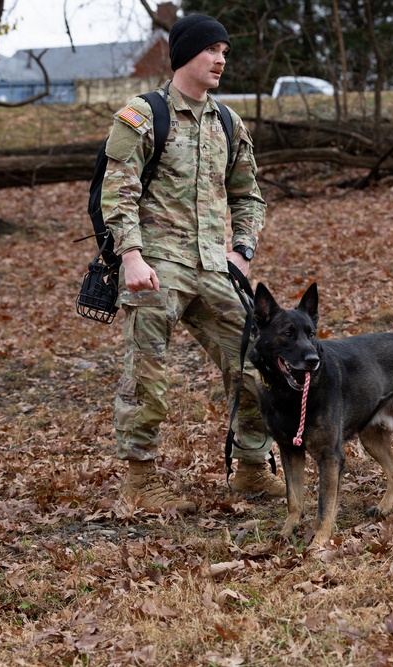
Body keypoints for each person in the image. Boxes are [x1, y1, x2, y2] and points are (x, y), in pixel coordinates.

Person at [102, 13, 285, 512]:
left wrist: (242, 250)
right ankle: (140, 484)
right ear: (185, 53)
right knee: (148, 376)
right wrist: (132, 257)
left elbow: (249, 196)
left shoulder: (228, 122)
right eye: (212, 50)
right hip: (156, 266)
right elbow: (117, 192)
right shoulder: (143, 115)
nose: (221, 59)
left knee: (254, 364)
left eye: (226, 51)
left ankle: (251, 468)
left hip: (213, 268)